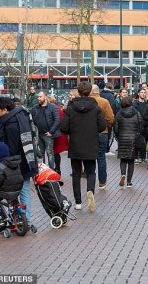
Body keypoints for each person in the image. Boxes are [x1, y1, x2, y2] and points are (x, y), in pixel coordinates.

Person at [60, 81, 106, 212]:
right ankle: (90, 190)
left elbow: (63, 127)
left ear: (78, 92)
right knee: (91, 171)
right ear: (90, 92)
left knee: (76, 174)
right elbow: (102, 126)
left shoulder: (70, 108)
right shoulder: (96, 108)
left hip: (75, 144)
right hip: (91, 143)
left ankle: (78, 202)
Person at [0, 96, 38, 225]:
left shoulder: (10, 124)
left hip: (15, 163)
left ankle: (17, 220)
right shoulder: (22, 115)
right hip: (27, 161)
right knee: (24, 191)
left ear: (5, 109)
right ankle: (27, 220)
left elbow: (11, 147)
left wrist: (4, 162)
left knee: (11, 192)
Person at [0, 142, 24, 226]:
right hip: (17, 189)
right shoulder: (15, 163)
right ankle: (17, 216)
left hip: (5, 191)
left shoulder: (0, 166)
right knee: (13, 201)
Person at [91, 84, 115, 189]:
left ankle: (90, 181)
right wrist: (106, 126)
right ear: (98, 91)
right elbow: (110, 118)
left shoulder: (86, 101)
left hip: (89, 133)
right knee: (101, 158)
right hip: (103, 132)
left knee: (89, 158)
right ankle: (102, 182)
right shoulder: (104, 102)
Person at [114, 97, 141, 188]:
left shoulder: (118, 114)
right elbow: (140, 126)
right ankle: (129, 182)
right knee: (131, 160)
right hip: (133, 138)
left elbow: (116, 129)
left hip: (122, 138)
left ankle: (123, 174)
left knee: (123, 159)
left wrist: (119, 137)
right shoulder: (137, 113)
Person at [30, 91, 60, 169]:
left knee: (50, 153)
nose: (38, 98)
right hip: (38, 134)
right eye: (38, 97)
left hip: (48, 134)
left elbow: (57, 120)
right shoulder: (35, 107)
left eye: (40, 97)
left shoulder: (53, 107)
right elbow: (32, 120)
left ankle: (51, 171)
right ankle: (42, 172)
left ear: (45, 97)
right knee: (40, 154)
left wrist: (51, 132)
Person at [48, 96, 68, 175]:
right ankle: (57, 168)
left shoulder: (54, 109)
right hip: (58, 133)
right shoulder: (59, 108)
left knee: (54, 152)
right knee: (55, 153)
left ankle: (56, 169)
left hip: (55, 133)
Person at [133, 88, 148, 164]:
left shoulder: (146, 103)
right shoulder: (135, 103)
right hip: (137, 125)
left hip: (145, 125)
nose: (143, 93)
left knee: (144, 141)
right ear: (138, 94)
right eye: (141, 92)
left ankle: (143, 157)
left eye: (144, 92)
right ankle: (136, 157)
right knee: (137, 141)